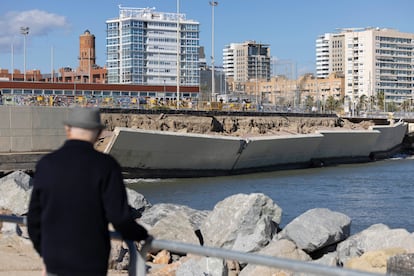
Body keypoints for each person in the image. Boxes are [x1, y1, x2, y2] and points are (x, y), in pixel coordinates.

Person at [27, 107, 150, 276]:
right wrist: (142, 235)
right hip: (91, 260)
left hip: (55, 259)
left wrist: (45, 252)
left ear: (67, 129)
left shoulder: (46, 164)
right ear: (99, 132)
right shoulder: (106, 165)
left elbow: (34, 218)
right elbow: (119, 217)